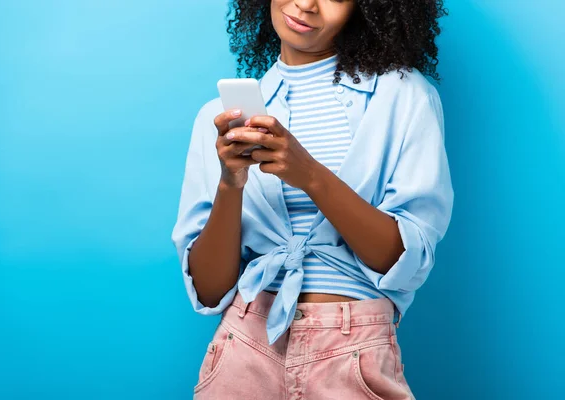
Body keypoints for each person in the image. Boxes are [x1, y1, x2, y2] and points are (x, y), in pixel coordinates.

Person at [171, 1, 453, 398]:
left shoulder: (404, 98)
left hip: (353, 350)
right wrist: (230, 184)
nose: (306, 4)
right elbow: (210, 290)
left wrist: (310, 176)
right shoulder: (218, 118)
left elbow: (407, 261)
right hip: (245, 344)